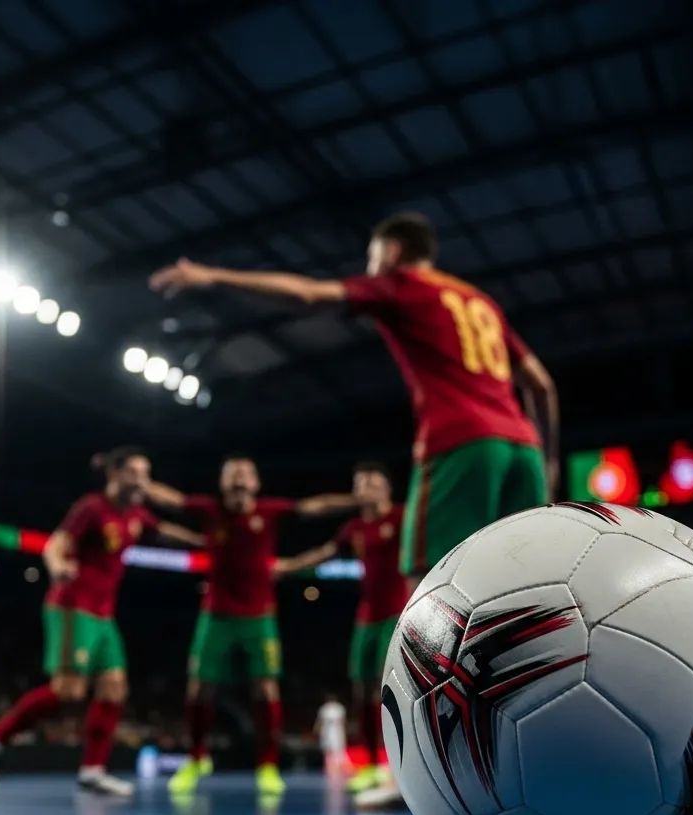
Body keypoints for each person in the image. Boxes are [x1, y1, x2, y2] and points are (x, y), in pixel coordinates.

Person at [149, 210, 558, 589]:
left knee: (427, 575)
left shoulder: (402, 285)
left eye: (372, 255)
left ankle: (431, 670)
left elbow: (308, 294)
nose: (368, 267)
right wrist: (549, 459)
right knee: (521, 582)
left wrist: (215, 275)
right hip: (523, 447)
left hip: (464, 443)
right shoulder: (479, 301)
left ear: (392, 250)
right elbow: (540, 384)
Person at [0, 447, 202, 797]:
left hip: (105, 615)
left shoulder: (136, 515)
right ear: (114, 474)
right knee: (68, 691)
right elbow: (55, 544)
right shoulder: (91, 508)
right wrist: (58, 567)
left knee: (114, 688)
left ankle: (92, 770)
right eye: (135, 472)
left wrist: (208, 544)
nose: (142, 480)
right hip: (73, 606)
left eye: (146, 473)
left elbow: (166, 530)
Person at [144, 455, 354, 797]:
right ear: (223, 482)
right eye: (233, 473)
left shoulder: (270, 511)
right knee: (198, 689)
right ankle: (196, 759)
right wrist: (139, 483)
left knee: (265, 690)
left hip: (259, 617)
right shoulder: (210, 510)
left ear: (256, 484)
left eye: (246, 474)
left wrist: (355, 500)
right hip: (215, 615)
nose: (240, 479)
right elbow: (170, 500)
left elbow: (315, 506)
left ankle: (268, 766)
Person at [278, 463, 407, 795]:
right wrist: (290, 566)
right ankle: (371, 765)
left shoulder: (402, 517)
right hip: (366, 617)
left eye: (371, 482)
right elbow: (326, 552)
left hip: (397, 612)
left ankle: (399, 765)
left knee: (388, 690)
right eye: (359, 483)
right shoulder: (353, 528)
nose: (364, 488)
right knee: (361, 689)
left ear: (386, 490)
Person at [314, 695, 348, 778]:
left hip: (337, 731)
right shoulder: (324, 709)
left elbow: (343, 722)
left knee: (338, 750)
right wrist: (316, 730)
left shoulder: (339, 708)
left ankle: (338, 769)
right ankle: (329, 769)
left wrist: (345, 733)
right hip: (326, 732)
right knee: (328, 751)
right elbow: (320, 721)